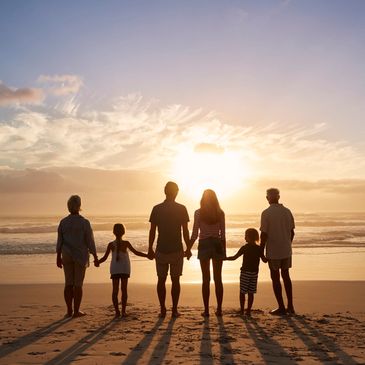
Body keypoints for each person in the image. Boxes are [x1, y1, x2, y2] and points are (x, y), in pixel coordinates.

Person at [148, 181, 190, 318]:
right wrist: (188, 248)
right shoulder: (181, 208)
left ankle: (162, 309)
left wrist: (150, 248)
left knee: (161, 279)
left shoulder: (157, 208)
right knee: (175, 280)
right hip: (176, 248)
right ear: (176, 192)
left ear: (165, 191)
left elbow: (152, 231)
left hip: (161, 248)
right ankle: (174, 309)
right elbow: (185, 232)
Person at [56, 195, 99, 318]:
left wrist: (58, 256)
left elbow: (60, 241)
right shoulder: (84, 222)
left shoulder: (63, 222)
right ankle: (76, 311)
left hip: (66, 254)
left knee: (68, 283)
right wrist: (95, 256)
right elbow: (90, 241)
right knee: (78, 284)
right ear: (79, 206)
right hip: (80, 255)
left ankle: (69, 310)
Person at [186, 189, 225, 317]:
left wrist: (188, 249)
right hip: (217, 244)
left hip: (204, 244)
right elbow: (223, 235)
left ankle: (207, 310)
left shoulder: (198, 213)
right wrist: (223, 251)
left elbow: (194, 234)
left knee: (205, 279)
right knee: (218, 279)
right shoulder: (220, 213)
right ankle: (219, 309)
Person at [98, 223, 150, 318]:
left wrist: (97, 262)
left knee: (115, 290)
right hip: (125, 268)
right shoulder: (126, 243)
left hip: (115, 269)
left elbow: (104, 258)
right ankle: (123, 311)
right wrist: (147, 255)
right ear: (123, 232)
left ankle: (117, 312)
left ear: (113, 232)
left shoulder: (110, 244)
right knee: (124, 289)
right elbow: (136, 252)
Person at [260, 188, 295, 315]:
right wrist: (287, 244)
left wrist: (261, 251)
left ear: (267, 198)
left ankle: (281, 307)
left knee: (275, 278)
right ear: (278, 197)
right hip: (286, 249)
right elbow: (292, 232)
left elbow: (264, 234)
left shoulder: (266, 213)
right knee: (286, 276)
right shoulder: (287, 212)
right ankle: (290, 305)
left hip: (273, 250)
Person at [225, 228, 266, 316]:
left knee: (242, 292)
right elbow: (264, 260)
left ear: (249, 237)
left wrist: (224, 258)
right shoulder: (258, 248)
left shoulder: (245, 248)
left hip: (245, 273)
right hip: (254, 273)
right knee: (251, 292)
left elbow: (234, 257)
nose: (244, 238)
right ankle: (248, 311)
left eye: (245, 236)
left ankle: (242, 310)